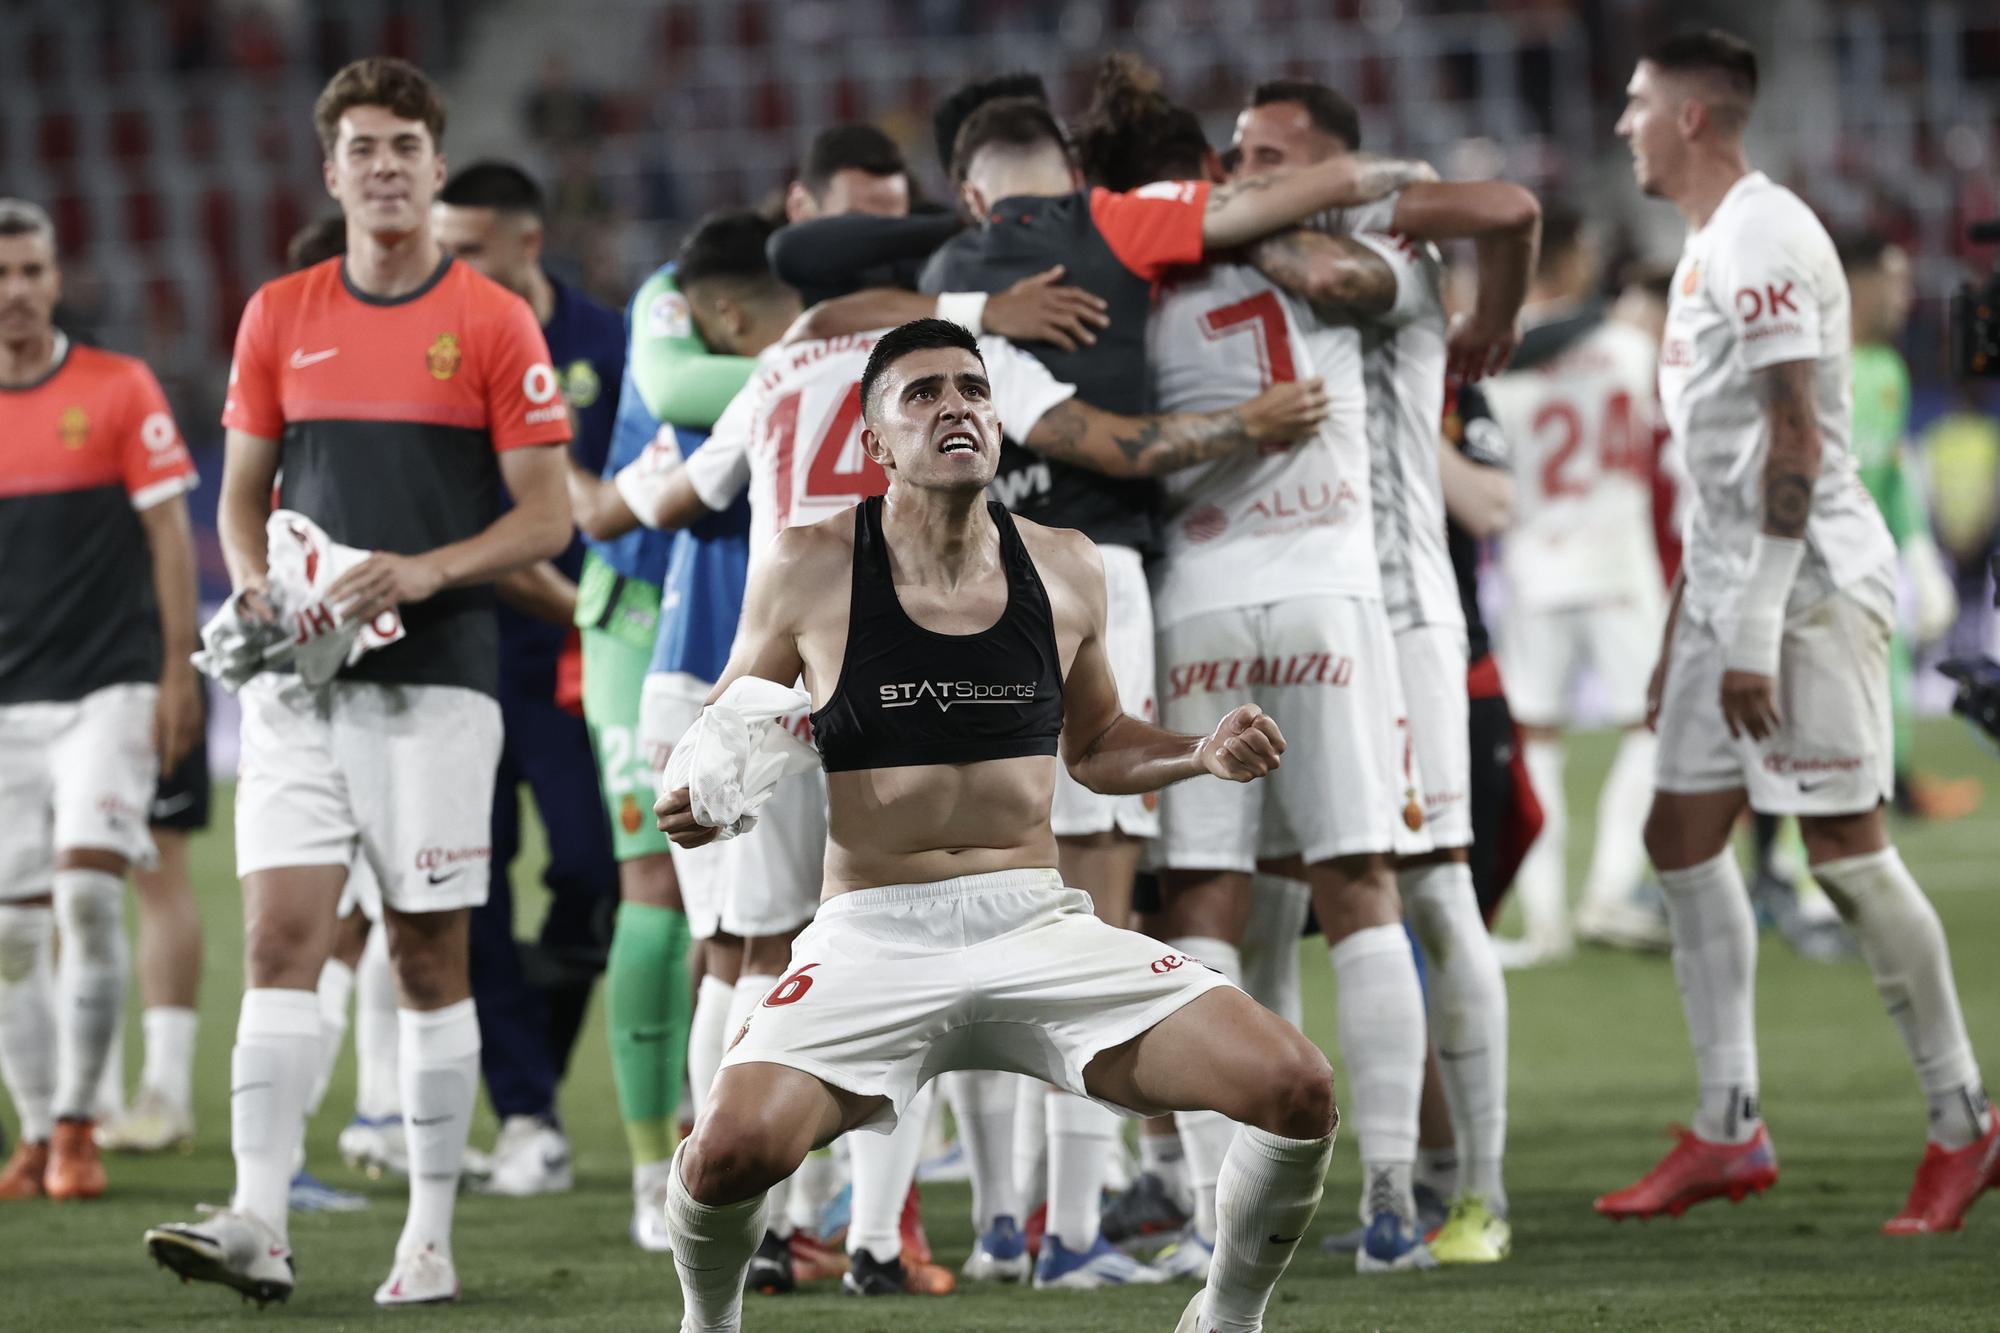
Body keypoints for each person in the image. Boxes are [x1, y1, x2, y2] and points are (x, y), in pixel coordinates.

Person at [615, 221, 1327, 1300]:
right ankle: (703, 1326)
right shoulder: (807, 567)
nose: (956, 407)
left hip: (1034, 923)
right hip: (872, 935)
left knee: (1295, 1087)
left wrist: (1196, 753)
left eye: (971, 390)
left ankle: (1224, 1321)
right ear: (874, 444)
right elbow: (719, 734)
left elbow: (1095, 746)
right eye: (922, 395)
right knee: (722, 1157)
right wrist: (698, 798)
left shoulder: (1068, 564)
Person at [921, 84, 1429, 1284]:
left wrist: (967, 298)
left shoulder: (939, 281)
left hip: (1062, 599)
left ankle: (1105, 1210)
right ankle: (1386, 1198)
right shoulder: (1140, 239)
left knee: (1110, 902)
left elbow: (824, 267)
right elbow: (1105, 441)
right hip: (1196, 582)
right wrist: (1371, 178)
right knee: (1350, 888)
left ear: (973, 188)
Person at [143, 58, 574, 1305]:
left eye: (405, 149)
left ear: (436, 173)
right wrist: (255, 585)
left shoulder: (494, 319)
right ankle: (256, 1223)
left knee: (427, 956)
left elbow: (544, 520)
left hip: (440, 686)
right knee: (280, 936)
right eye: (362, 150)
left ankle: (428, 1239)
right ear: (329, 174)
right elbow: (235, 505)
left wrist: (425, 572)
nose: (384, 168)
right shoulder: (278, 311)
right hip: (296, 686)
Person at [1597, 29, 1996, 1233]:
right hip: (1725, 586)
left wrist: (1755, 623)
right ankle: (1728, 1126)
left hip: (1806, 586)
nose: (1620, 124)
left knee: (1842, 846)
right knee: (1676, 834)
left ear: (1693, 121)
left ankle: (1962, 1119)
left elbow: (1792, 441)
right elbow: (1716, 471)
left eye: (1636, 105)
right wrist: (1685, 630)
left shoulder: (1764, 235)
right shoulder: (1703, 248)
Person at [1222, 74, 1538, 1267]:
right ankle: (1269, 1183)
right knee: (1259, 896)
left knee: (1433, 892)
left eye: (1274, 150)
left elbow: (1507, 209)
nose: (1246, 164)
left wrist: (1491, 321)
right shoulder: (1238, 253)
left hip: (1399, 616)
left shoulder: (1381, 247)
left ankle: (1476, 1190)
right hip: (1275, 612)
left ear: (1335, 161)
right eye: (1239, 148)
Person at [0, 198, 201, 1201]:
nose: (17, 293)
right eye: (2, 275)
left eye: (31, 271)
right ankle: (34, 1134)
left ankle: (80, 1123)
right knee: (10, 930)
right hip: (6, 706)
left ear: (56, 278)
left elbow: (170, 536)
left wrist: (176, 671)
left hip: (108, 690)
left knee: (85, 891)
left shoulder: (119, 387)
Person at [434, 159, 625, 1197]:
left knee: (595, 873)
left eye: (464, 247)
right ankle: (523, 1109)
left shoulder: (608, 340)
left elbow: (638, 486)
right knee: (471, 885)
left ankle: (533, 1084)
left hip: (581, 660)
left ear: (525, 243)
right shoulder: (436, 347)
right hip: (468, 651)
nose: (445, 265)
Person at [1478, 202, 1673, 962]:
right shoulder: (1629, 346)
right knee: (1651, 730)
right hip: (1621, 560)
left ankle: (1548, 922)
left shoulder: (1498, 356)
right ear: (1572, 256)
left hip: (1535, 563)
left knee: (1539, 743)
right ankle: (1611, 890)